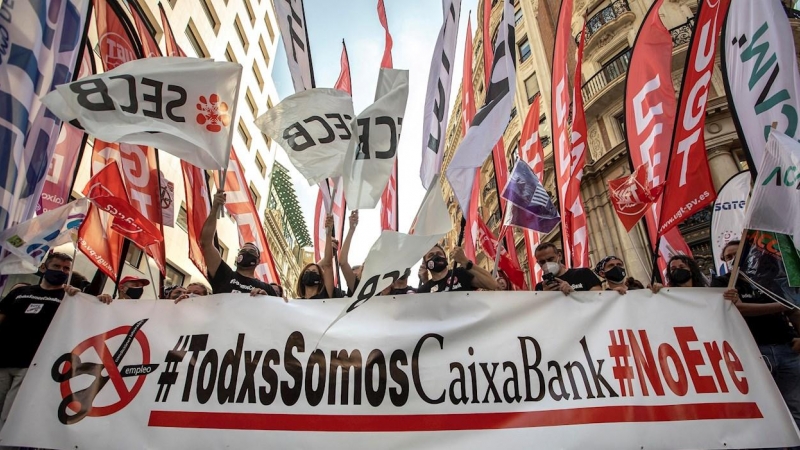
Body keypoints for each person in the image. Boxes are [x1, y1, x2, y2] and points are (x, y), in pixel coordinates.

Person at [0, 252, 112, 433]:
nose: (62, 271)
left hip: (32, 367)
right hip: (3, 360)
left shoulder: (70, 299)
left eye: (66, 268)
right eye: (57, 267)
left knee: (12, 417)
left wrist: (98, 301)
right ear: (44, 268)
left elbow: (90, 319)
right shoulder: (20, 292)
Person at [712, 240, 800, 429]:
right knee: (767, 411)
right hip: (754, 353)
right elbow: (740, 310)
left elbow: (794, 310)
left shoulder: (770, 278)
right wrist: (784, 305)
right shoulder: (722, 283)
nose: (732, 260)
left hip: (787, 350)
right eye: (728, 257)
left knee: (795, 408)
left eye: (736, 255)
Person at [201, 191, 277, 297]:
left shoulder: (266, 289)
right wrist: (214, 210)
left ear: (258, 261)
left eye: (251, 251)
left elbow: (277, 310)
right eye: (243, 250)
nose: (246, 252)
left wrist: (265, 299)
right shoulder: (223, 275)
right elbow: (206, 243)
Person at [417, 244, 498, 293]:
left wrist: (465, 262)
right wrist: (425, 281)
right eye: (431, 255)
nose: (436, 257)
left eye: (439, 253)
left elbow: (492, 284)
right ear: (426, 264)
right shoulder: (423, 290)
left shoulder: (460, 273)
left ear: (446, 258)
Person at [296, 215, 339, 299]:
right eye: (307, 272)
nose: (310, 273)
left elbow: (327, 265)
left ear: (321, 279)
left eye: (315, 272)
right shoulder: (296, 303)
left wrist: (328, 233)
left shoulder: (325, 297)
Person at [533, 243, 603, 293]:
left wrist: (573, 293)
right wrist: (544, 297)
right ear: (538, 263)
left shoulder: (584, 274)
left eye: (550, 259)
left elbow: (599, 298)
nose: (547, 264)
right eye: (542, 262)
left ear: (559, 256)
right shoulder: (540, 287)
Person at [340, 211, 362, 295]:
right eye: (353, 274)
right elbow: (342, 262)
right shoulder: (358, 289)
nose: (354, 274)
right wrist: (351, 229)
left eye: (358, 272)